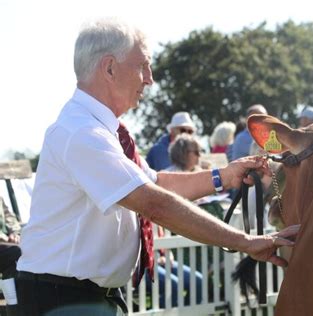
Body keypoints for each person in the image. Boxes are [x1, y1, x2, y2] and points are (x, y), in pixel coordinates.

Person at [15, 18, 298, 316]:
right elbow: (153, 203)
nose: (149, 78)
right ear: (109, 68)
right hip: (63, 299)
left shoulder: (96, 130)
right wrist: (245, 242)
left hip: (74, 295)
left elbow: (156, 185)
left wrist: (224, 176)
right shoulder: (83, 133)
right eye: (142, 66)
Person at [0, 194, 22, 314]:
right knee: (16, 252)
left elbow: (9, 217)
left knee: (29, 247)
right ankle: (14, 306)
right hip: (4, 245)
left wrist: (14, 233)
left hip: (6, 244)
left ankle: (15, 304)